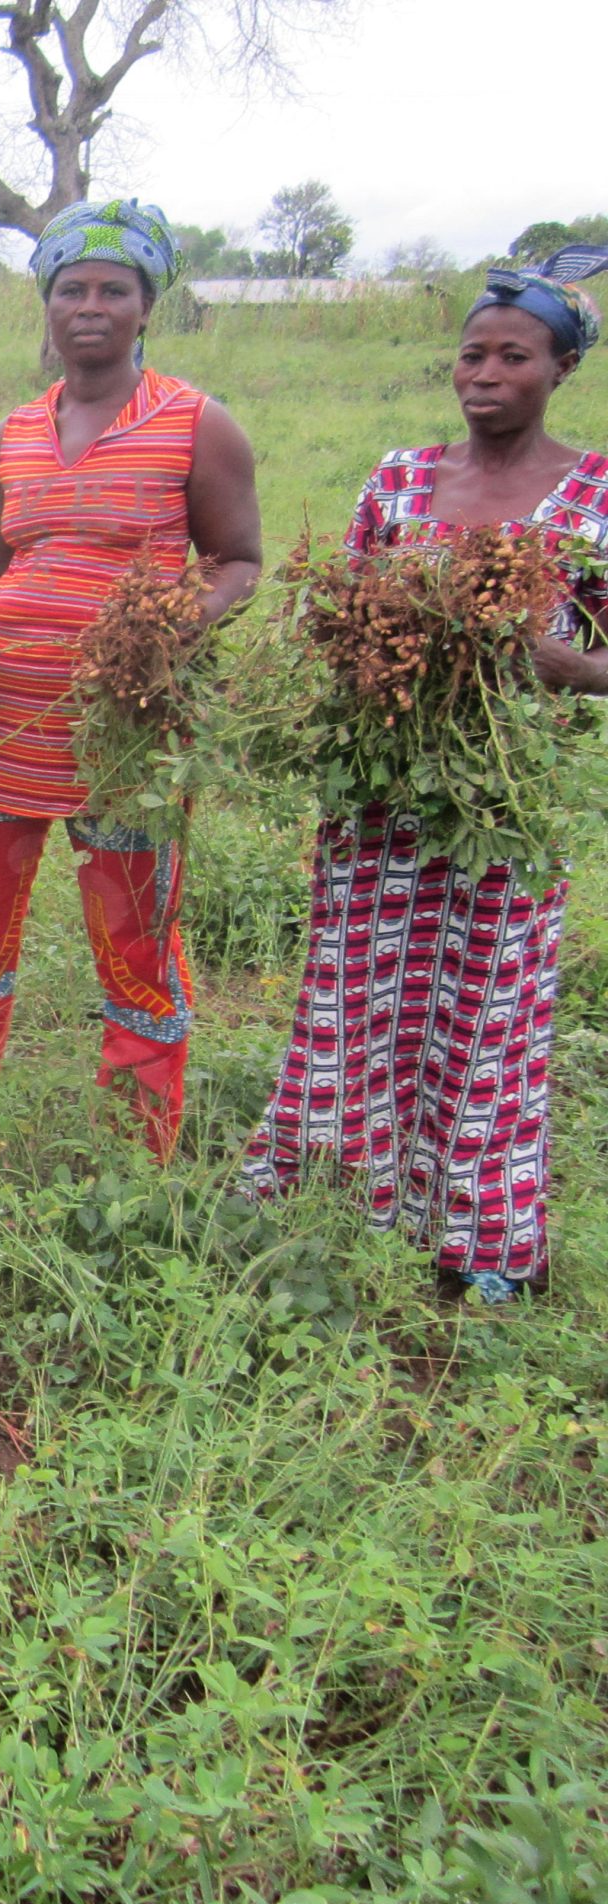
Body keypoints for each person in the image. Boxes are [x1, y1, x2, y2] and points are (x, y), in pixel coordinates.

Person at [242, 247, 608, 1303]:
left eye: (513, 356)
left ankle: (476, 1247)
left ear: (559, 369)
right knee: (353, 999)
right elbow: (341, 613)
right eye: (470, 354)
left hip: (502, 805)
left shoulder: (592, 496)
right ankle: (330, 1207)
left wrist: (565, 666)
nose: (484, 373)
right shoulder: (400, 479)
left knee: (484, 1014)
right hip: (376, 800)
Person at [0, 200, 262, 1159]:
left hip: (126, 737)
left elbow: (238, 562)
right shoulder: (15, 433)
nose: (90, 306)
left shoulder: (198, 424)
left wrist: (162, 629)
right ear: (47, 304)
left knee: (136, 943)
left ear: (147, 305)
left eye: (114, 289)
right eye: (71, 288)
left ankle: (135, 1148)